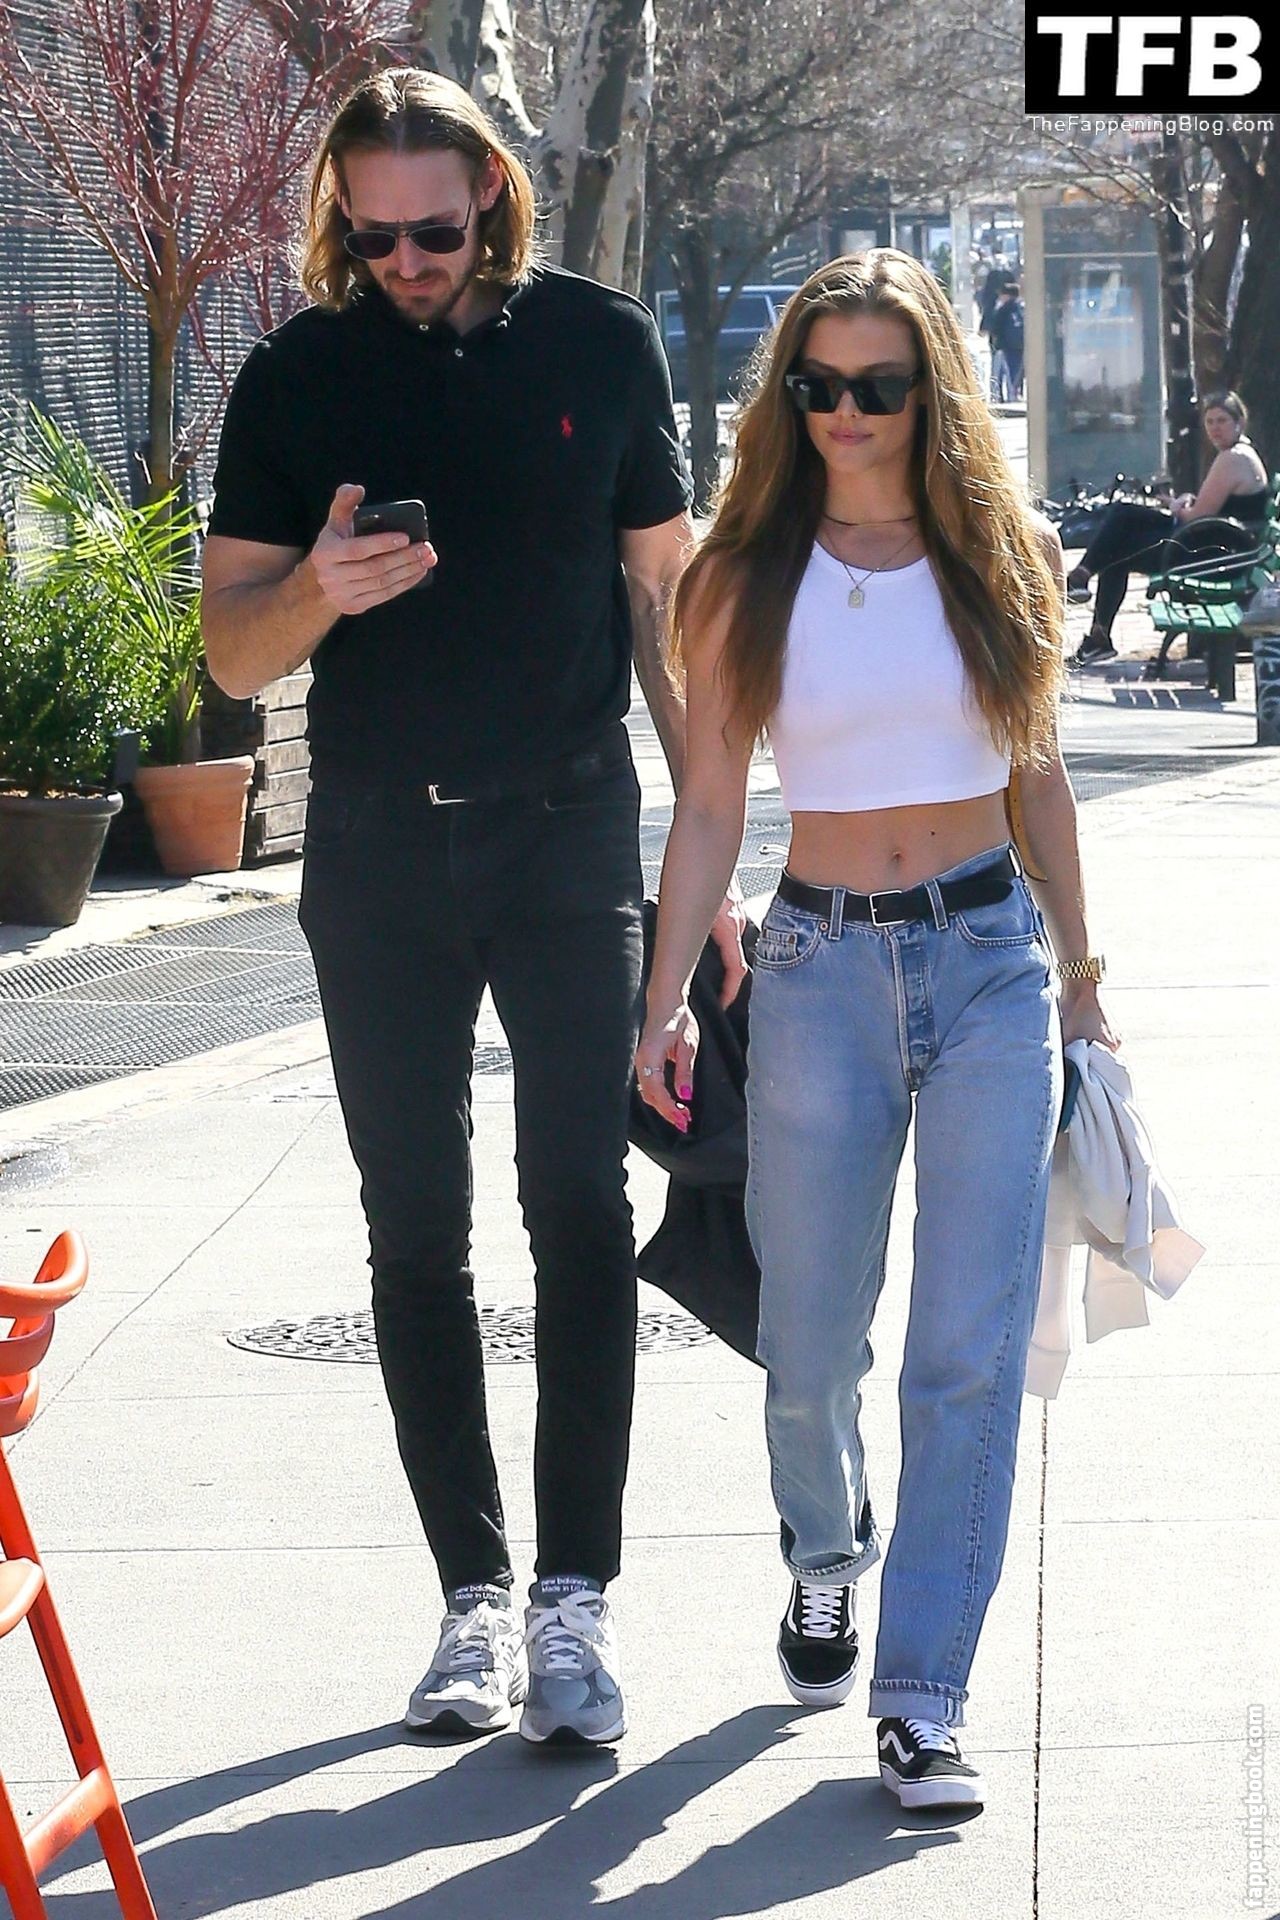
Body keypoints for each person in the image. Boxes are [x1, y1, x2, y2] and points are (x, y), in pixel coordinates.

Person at [200, 66, 745, 1748]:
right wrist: (318, 588)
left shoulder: (600, 345)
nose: (406, 264)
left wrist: (711, 863)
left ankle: (576, 1600)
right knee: (412, 1230)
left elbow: (665, 615)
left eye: (432, 231)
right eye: (373, 240)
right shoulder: (296, 374)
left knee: (578, 1206)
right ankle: (473, 1599)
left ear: (491, 192)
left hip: (568, 836)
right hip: (374, 851)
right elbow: (233, 652)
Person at [635, 249, 1119, 1813]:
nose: (846, 413)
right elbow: (712, 805)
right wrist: (666, 999)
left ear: (933, 393)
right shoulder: (738, 577)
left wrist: (1085, 973)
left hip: (989, 965)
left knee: (963, 1353)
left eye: (879, 387)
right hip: (818, 969)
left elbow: (1039, 776)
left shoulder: (1004, 551)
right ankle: (825, 1547)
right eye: (819, 385)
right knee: (806, 1347)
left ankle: (923, 1697)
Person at [1065, 391, 1270, 665]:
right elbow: (1211, 508)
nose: (1215, 428)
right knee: (1124, 513)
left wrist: (1177, 507)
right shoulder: (1240, 453)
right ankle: (1082, 582)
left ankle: (1093, 619)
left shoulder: (1232, 458)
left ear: (1239, 422)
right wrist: (1185, 502)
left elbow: (1196, 518)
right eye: (1210, 422)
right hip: (1214, 543)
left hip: (1210, 556)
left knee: (1116, 551)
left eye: (1222, 421)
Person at [988, 283, 1025, 402]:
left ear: (1007, 295)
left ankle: (1000, 396)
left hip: (1004, 346)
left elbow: (996, 328)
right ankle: (1015, 394)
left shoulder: (1003, 308)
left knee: (1001, 372)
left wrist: (995, 344)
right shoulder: (1022, 308)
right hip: (1019, 346)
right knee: (1016, 371)